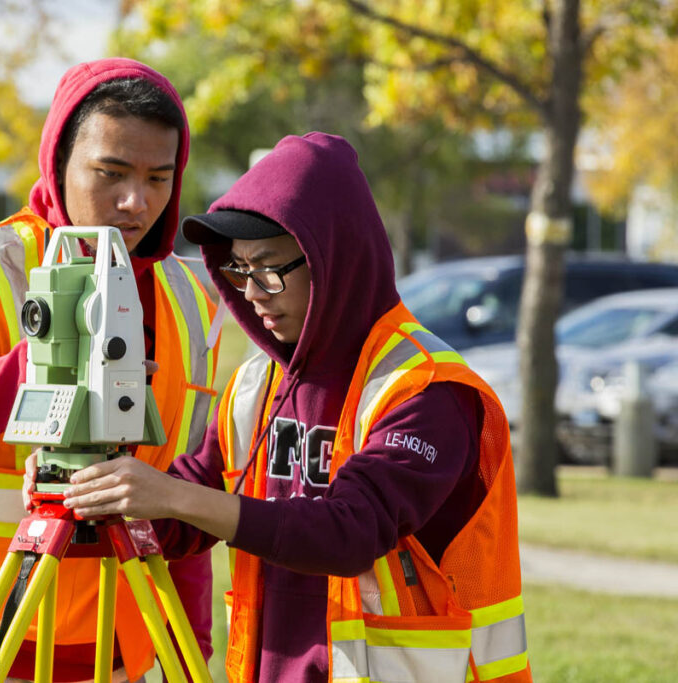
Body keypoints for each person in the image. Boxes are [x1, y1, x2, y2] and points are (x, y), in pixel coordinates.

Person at [49, 132, 533, 682]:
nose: (252, 292)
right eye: (238, 270)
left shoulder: (425, 387)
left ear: (333, 260)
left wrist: (175, 496)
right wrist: (92, 489)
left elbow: (350, 533)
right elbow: (186, 512)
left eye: (268, 269)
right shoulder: (256, 385)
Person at [0, 58, 221, 683]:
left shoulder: (189, 302)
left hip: (116, 643)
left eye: (158, 178)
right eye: (111, 173)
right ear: (58, 161)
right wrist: (47, 362)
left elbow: (183, 491)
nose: (135, 202)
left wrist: (188, 648)